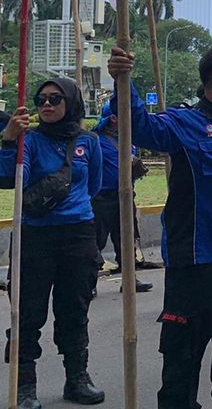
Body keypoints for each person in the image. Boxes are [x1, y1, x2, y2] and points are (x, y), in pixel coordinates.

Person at [109, 45, 212, 409]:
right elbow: (140, 127)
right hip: (197, 263)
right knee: (182, 363)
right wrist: (123, 81)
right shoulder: (184, 124)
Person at [1, 78, 106, 407]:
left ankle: (77, 378)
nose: (46, 104)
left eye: (55, 98)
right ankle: (25, 385)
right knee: (28, 312)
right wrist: (8, 140)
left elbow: (94, 185)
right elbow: (9, 179)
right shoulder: (28, 140)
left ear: (70, 102)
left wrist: (71, 209)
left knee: (74, 310)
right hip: (35, 235)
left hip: (78, 234)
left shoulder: (88, 142)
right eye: (41, 99)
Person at [91, 101, 152, 293]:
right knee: (95, 242)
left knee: (126, 240)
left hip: (125, 198)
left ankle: (130, 280)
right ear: (113, 118)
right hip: (101, 198)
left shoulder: (128, 140)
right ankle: (88, 283)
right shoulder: (96, 140)